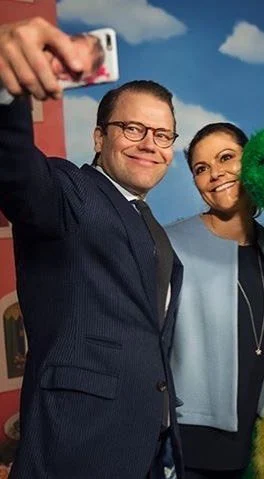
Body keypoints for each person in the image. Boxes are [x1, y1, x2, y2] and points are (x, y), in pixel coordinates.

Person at [0, 17, 184, 479]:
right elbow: (14, 167)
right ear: (100, 138)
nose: (150, 145)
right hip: (76, 448)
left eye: (163, 136)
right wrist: (6, 88)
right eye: (133, 129)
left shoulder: (152, 226)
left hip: (146, 451)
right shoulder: (69, 191)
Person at [165, 123, 264, 479]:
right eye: (201, 169)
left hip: (260, 447)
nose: (215, 174)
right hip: (191, 450)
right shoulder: (170, 243)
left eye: (226, 158)